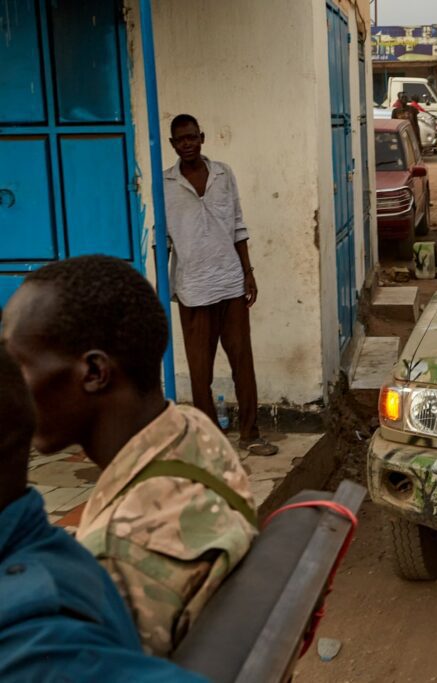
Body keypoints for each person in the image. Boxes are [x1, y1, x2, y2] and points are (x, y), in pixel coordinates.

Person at [1, 255, 257, 656]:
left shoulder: (112, 559)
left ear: (93, 373)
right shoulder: (190, 429)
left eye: (19, 365)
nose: (9, 387)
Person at [0, 345, 205, 679]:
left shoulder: (32, 642)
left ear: (95, 372)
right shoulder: (65, 551)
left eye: (26, 362)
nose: (24, 382)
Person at [164, 114, 278, 456]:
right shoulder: (164, 183)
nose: (187, 144)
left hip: (230, 283)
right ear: (172, 145)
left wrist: (248, 272)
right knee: (200, 373)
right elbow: (163, 238)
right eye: (180, 140)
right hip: (193, 289)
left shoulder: (224, 174)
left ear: (202, 138)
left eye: (191, 137)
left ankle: (250, 433)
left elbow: (238, 226)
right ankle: (211, 444)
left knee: (243, 362)